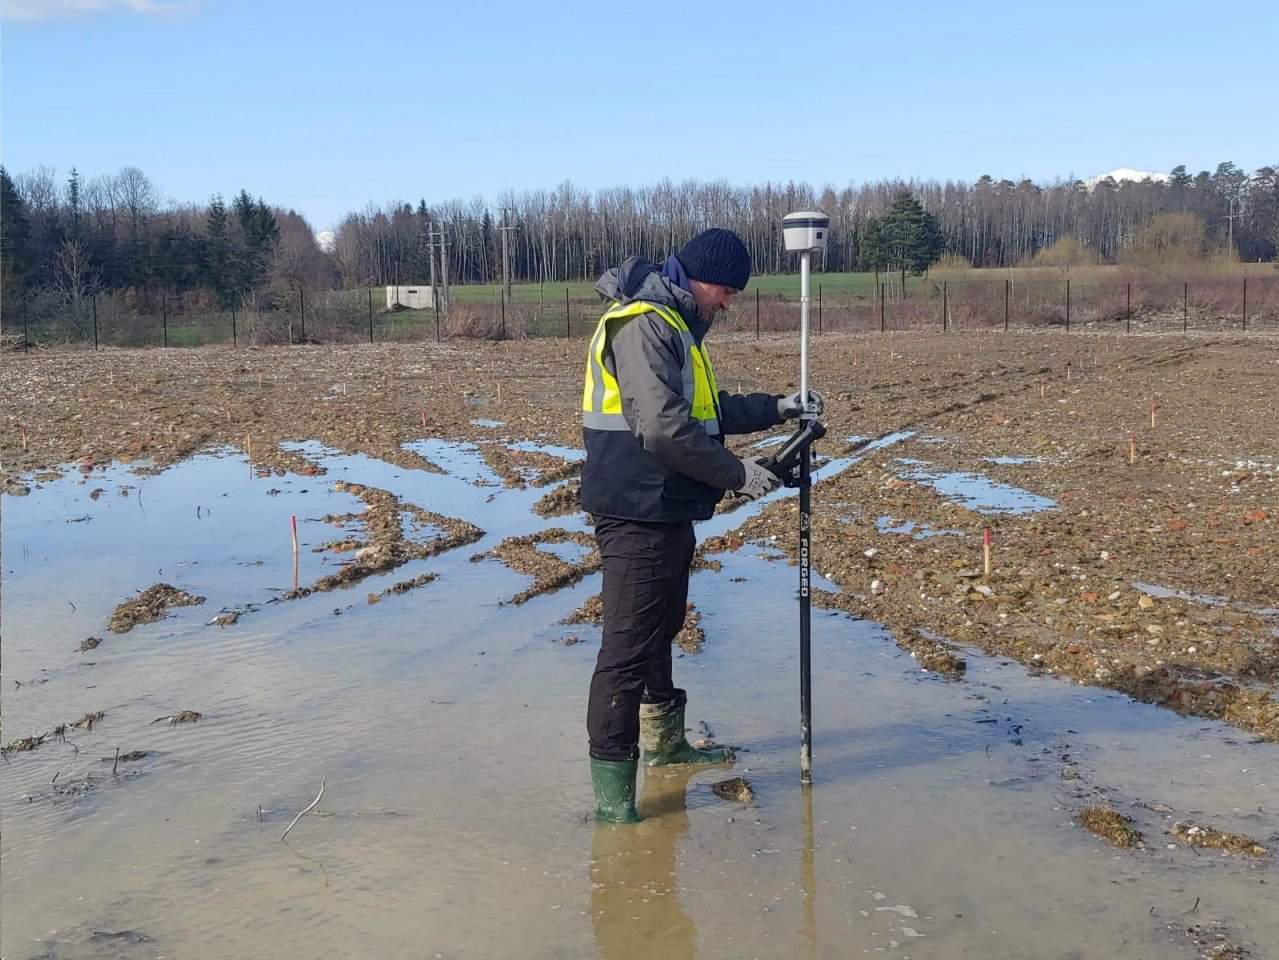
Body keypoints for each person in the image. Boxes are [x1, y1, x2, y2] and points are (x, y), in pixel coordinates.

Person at [581, 227, 823, 823]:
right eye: (727, 291)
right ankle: (615, 808)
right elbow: (662, 428)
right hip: (636, 508)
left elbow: (707, 413)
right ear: (699, 277)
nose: (729, 303)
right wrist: (738, 474)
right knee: (626, 650)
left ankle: (666, 745)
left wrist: (777, 407)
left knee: (660, 628)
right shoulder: (646, 325)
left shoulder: (677, 327)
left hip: (664, 505)